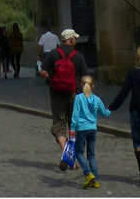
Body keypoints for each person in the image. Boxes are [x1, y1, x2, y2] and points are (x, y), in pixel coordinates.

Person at [107, 45, 140, 176]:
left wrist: (112, 107)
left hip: (137, 112)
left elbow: (124, 93)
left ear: (137, 58)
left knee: (138, 143)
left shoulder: (132, 73)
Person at [40, 28, 87, 172]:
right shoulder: (78, 56)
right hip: (74, 95)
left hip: (57, 94)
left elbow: (43, 71)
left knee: (59, 125)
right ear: (71, 40)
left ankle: (65, 153)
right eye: (75, 39)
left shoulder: (54, 54)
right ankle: (71, 158)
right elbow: (85, 78)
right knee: (74, 126)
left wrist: (53, 78)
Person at [71, 74, 111, 188]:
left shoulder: (79, 98)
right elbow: (104, 112)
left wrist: (72, 129)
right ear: (93, 86)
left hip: (82, 129)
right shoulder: (96, 99)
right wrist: (110, 110)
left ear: (81, 85)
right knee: (91, 154)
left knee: (79, 152)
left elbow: (75, 115)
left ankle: (88, 173)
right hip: (93, 129)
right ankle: (96, 180)